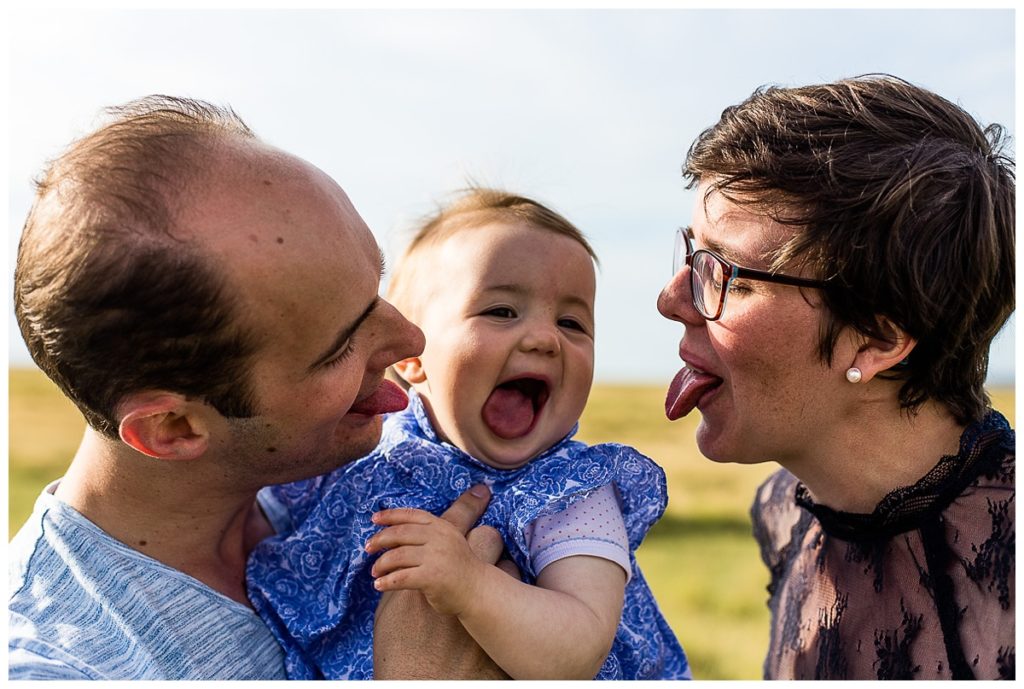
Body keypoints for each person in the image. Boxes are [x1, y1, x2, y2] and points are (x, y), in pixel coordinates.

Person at [9, 96, 509, 680]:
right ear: (174, 428)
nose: (410, 336)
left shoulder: (364, 479)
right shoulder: (53, 664)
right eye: (342, 343)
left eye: (374, 285)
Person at [247, 188, 690, 680]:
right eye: (501, 311)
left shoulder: (570, 493)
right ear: (411, 357)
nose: (545, 339)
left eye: (572, 322)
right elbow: (257, 520)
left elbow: (579, 648)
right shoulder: (367, 448)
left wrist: (470, 585)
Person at [657, 75, 1015, 680]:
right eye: (692, 256)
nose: (672, 300)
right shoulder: (785, 512)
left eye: (728, 273)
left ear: (878, 339)